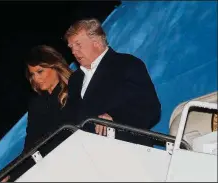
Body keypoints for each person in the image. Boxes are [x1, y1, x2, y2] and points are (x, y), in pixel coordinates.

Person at [63, 18, 161, 146]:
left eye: (78, 45)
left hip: (127, 147)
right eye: (71, 47)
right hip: (87, 153)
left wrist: (114, 117)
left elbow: (150, 108)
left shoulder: (127, 64)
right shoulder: (75, 80)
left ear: (96, 42)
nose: (73, 52)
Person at [23, 45, 73, 153]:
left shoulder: (75, 88)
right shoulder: (36, 104)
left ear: (55, 66)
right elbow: (30, 144)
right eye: (32, 74)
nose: (36, 78)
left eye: (40, 71)